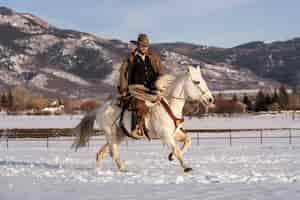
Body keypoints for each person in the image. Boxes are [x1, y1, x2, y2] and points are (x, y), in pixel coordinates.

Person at [119, 33, 165, 137]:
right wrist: (123, 89)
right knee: (140, 103)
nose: (144, 48)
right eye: (142, 45)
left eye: (146, 46)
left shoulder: (153, 57)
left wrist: (162, 83)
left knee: (163, 101)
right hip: (136, 87)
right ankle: (136, 127)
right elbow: (123, 73)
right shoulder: (130, 58)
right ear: (138, 45)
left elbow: (161, 71)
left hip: (151, 87)